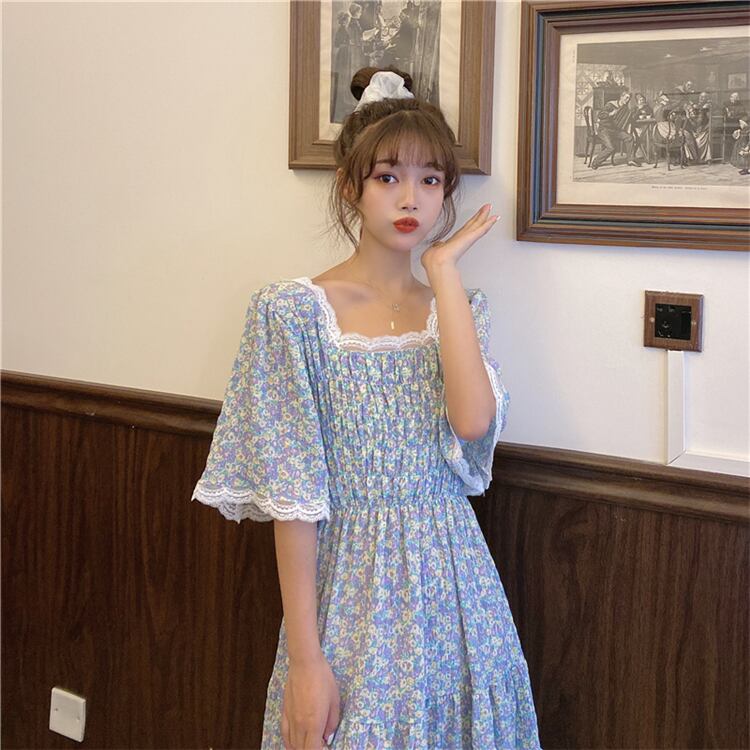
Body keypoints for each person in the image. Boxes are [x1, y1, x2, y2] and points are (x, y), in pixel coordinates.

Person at [191, 67, 542, 750]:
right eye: (388, 177)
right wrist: (306, 663)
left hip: (456, 588)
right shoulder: (291, 314)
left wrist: (443, 272)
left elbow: (473, 424)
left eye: (431, 180)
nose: (411, 198)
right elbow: (294, 500)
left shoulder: (457, 309)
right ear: (351, 186)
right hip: (350, 592)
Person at [590, 91, 641, 169]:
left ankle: (630, 160)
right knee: (611, 148)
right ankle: (595, 162)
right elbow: (600, 115)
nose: (627, 100)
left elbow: (629, 119)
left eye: (629, 98)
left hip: (615, 131)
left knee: (629, 137)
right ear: (621, 97)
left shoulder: (625, 108)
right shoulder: (610, 104)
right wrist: (610, 114)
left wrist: (637, 110)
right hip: (604, 129)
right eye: (626, 97)